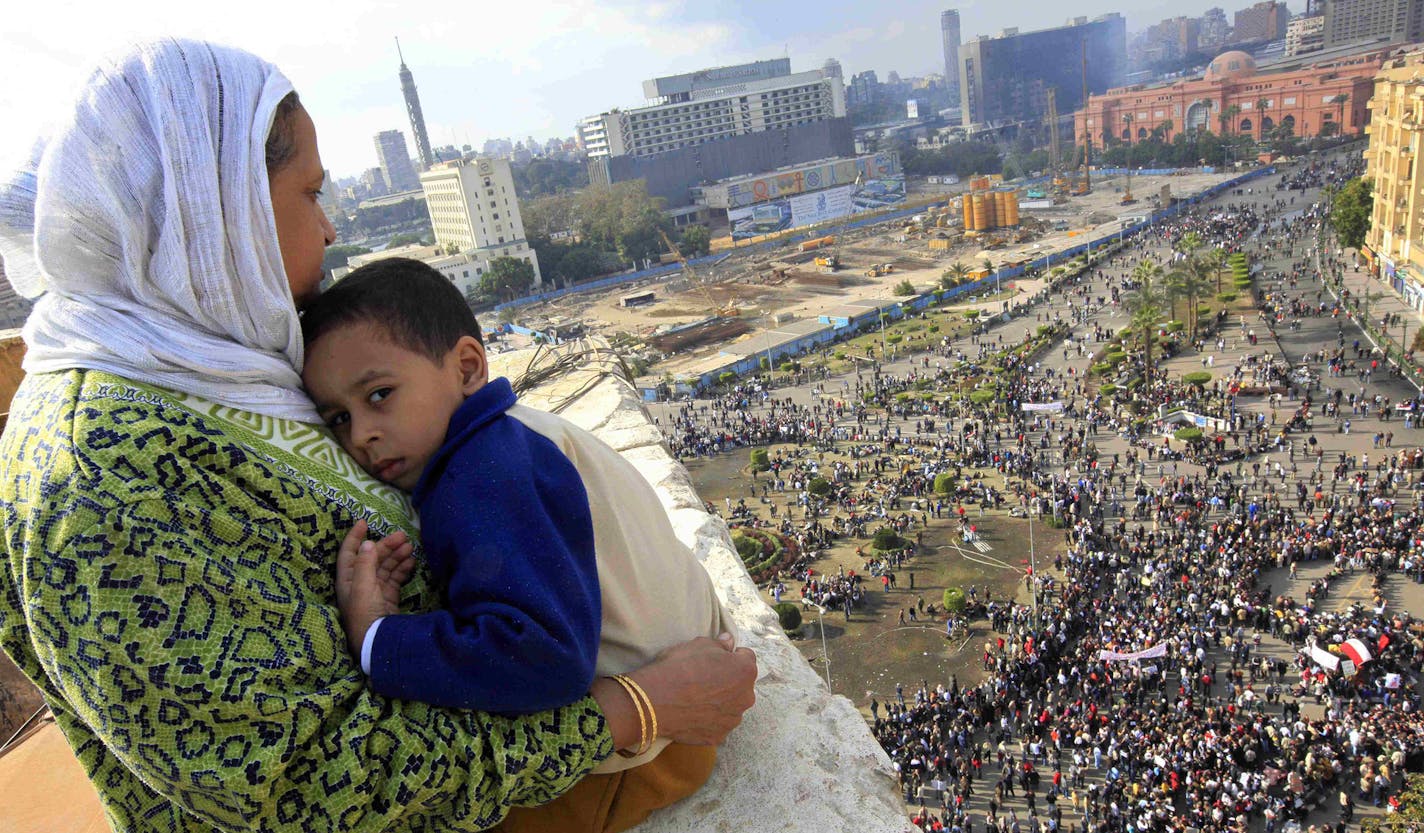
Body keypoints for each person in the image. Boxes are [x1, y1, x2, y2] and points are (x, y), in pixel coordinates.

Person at [0, 39, 755, 832]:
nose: (330, 230)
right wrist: (639, 706)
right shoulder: (99, 481)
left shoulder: (193, 362)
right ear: (215, 208)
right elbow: (303, 785)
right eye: (312, 194)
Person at [298, 259, 734, 830]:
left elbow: (541, 657)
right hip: (688, 684)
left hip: (642, 759)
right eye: (337, 418)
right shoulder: (516, 435)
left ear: (467, 367)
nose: (361, 435)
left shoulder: (477, 474)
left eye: (380, 394)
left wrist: (379, 638)